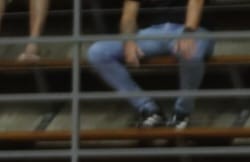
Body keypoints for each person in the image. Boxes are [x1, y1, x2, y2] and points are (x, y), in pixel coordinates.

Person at [87, 1, 212, 129]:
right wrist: (128, 40)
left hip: (192, 29)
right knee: (98, 52)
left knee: (192, 53)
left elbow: (196, 2)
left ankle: (182, 112)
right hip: (152, 32)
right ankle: (148, 109)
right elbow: (129, 15)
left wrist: (189, 32)